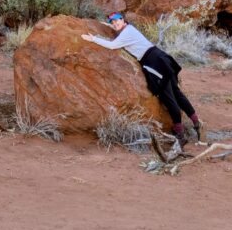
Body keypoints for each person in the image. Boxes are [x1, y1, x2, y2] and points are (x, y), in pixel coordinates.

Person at [82, 12, 204, 145]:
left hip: (153, 62)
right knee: (176, 93)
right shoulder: (128, 29)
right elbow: (119, 31)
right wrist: (107, 26)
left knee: (168, 97)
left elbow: (112, 45)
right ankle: (196, 123)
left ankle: (180, 134)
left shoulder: (126, 33)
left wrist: (94, 39)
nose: (115, 24)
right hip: (160, 57)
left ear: (123, 20)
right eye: (112, 22)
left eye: (117, 21)